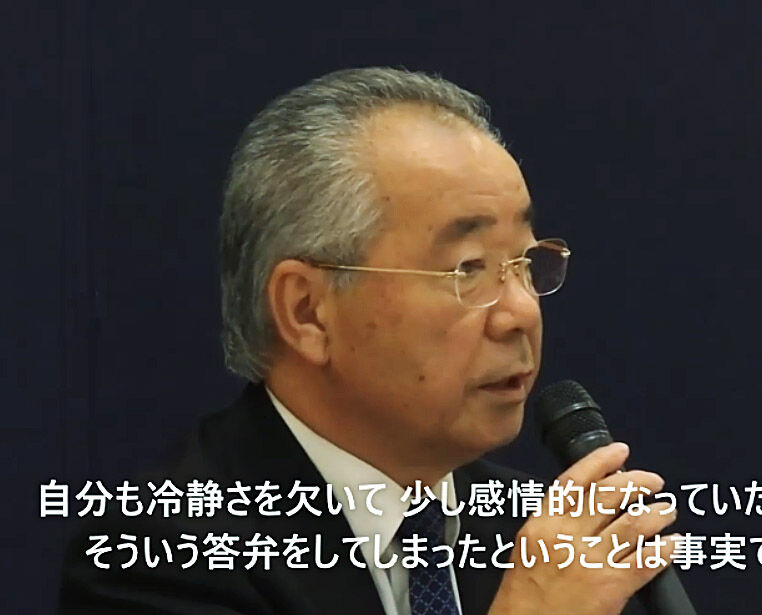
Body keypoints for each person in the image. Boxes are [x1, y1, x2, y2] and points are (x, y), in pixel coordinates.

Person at [60, 67, 676, 614]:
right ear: (307, 311)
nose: (520, 312)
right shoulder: (162, 555)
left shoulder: (538, 530)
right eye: (467, 268)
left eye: (522, 261)